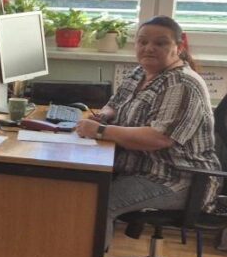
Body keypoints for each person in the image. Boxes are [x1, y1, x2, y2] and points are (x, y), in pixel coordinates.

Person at [75, 15, 219, 244]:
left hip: (175, 179)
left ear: (179, 47)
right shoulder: (141, 72)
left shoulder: (181, 84)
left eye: (160, 43)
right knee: (77, 186)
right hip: (139, 168)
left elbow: (158, 138)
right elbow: (115, 103)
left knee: (98, 202)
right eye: (142, 42)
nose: (149, 48)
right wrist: (104, 115)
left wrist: (100, 131)